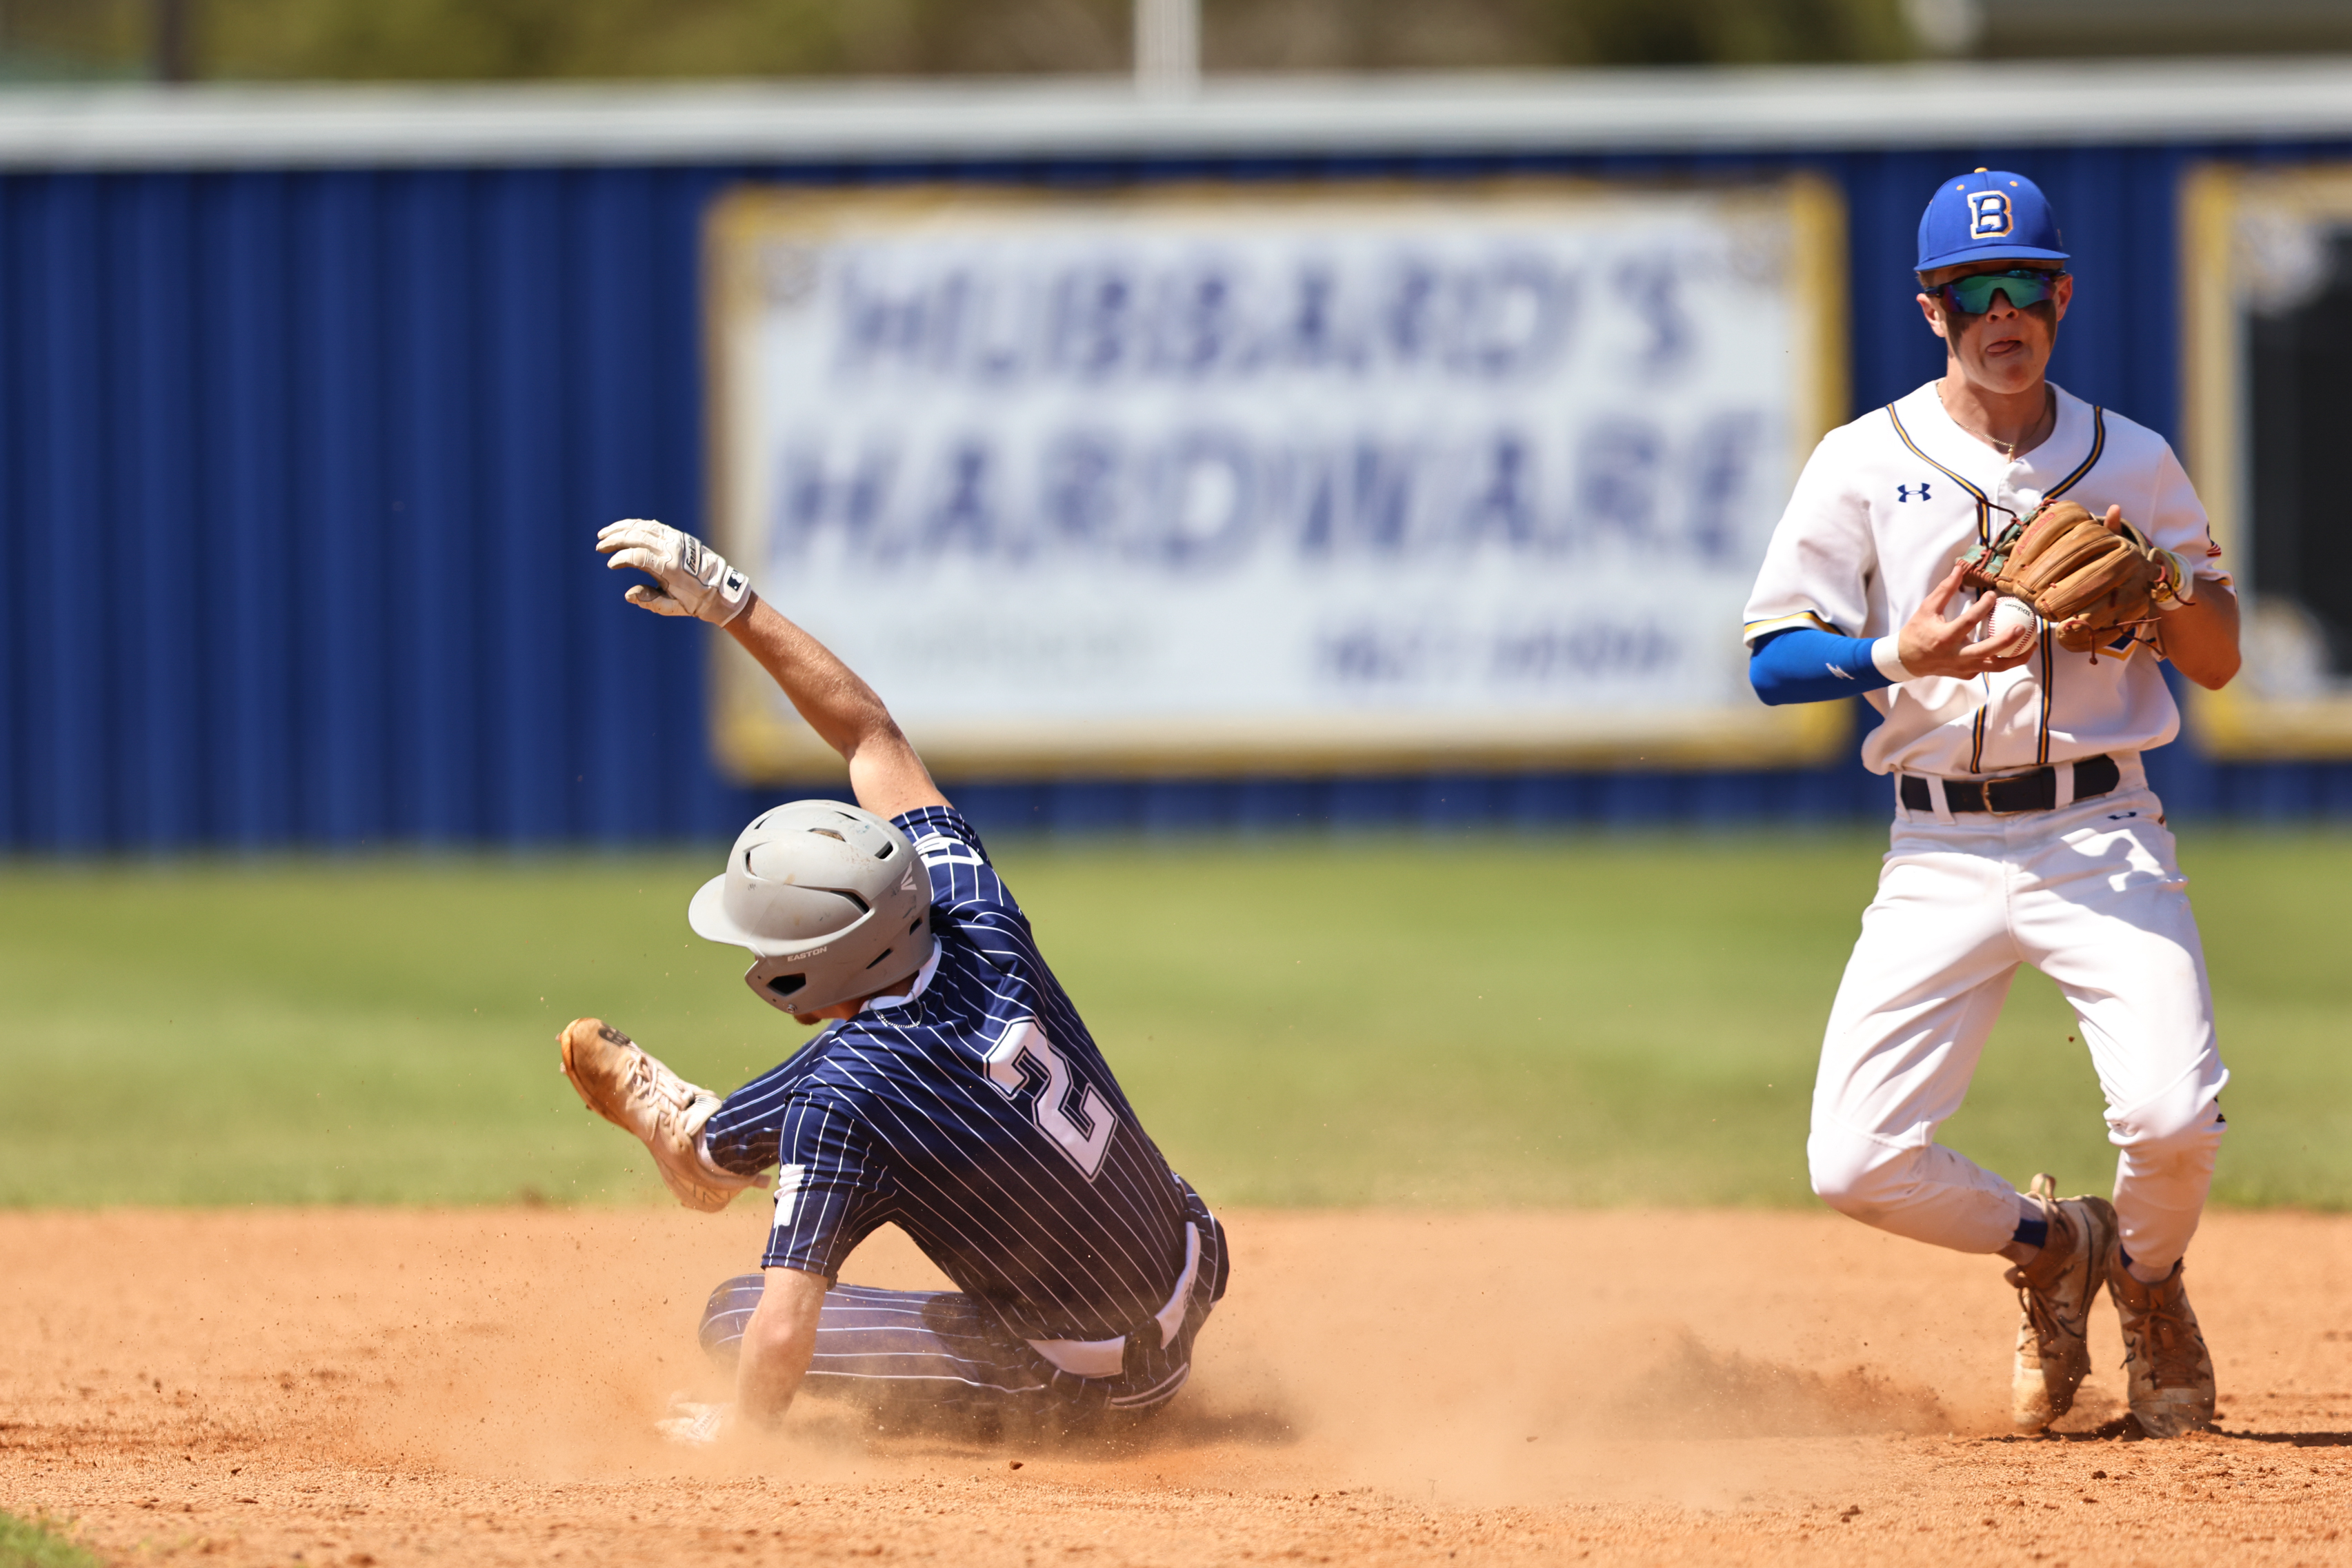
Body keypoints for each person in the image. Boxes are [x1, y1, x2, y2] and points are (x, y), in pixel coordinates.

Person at [1742, 170, 2240, 1438]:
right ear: (1931, 310)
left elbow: (2221, 652)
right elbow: (1771, 659)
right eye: (1973, 290)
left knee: (2174, 1121)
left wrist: (2166, 574)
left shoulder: (2129, 456)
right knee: (1851, 1163)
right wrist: (1900, 655)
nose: (2000, 309)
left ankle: (2147, 1281)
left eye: (2023, 282)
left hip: (2099, 827)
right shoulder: (1862, 458)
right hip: (1937, 845)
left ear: (2061, 296)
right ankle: (2051, 1245)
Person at [559, 517, 1227, 1443]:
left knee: (732, 1313)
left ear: (805, 967)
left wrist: (742, 1435)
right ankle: (703, 1140)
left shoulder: (845, 1094)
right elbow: (868, 734)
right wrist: (731, 601)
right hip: (1193, 1260)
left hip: (1099, 1384)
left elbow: (782, 1330)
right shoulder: (966, 904)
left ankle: (701, 1146)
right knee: (870, 1085)